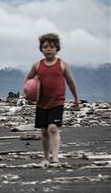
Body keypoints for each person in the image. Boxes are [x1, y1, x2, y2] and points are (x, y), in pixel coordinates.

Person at [24, 33, 79, 167]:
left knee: (53, 128)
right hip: (42, 102)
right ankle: (46, 157)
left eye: (51, 47)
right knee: (44, 131)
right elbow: (28, 80)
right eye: (45, 47)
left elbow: (71, 82)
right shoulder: (37, 65)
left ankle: (55, 157)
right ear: (41, 49)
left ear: (57, 48)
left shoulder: (62, 65)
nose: (48, 49)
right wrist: (27, 95)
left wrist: (76, 98)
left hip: (57, 102)